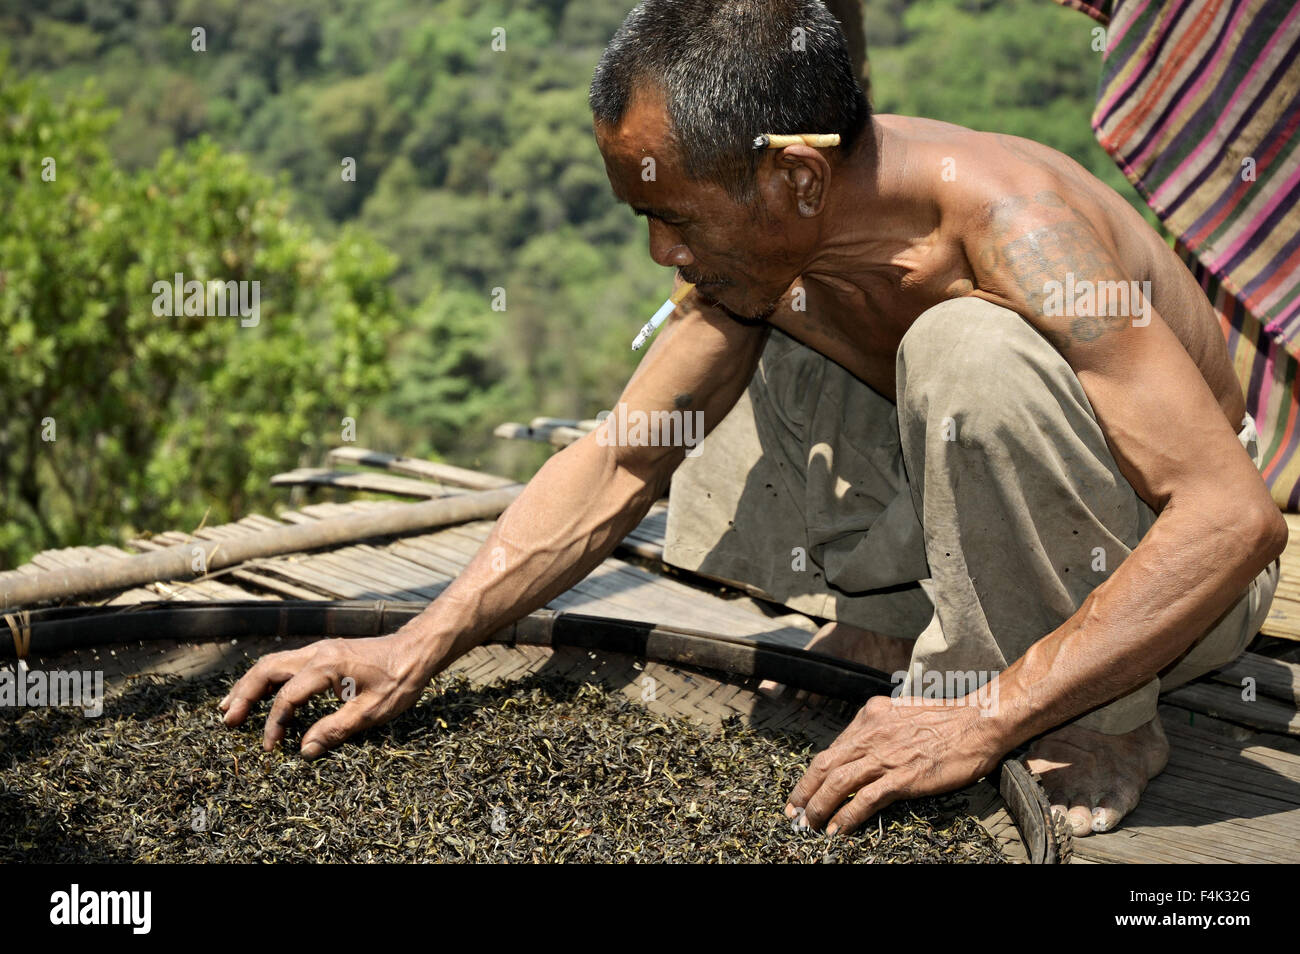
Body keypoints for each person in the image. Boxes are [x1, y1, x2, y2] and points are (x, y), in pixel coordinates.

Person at [219, 0, 1285, 839]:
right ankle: (892, 623)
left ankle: (1101, 725)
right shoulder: (779, 245)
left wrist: (987, 718)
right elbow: (622, 463)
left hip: (1174, 596)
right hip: (986, 518)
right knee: (761, 310)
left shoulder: (1025, 234)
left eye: (674, 217)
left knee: (962, 350)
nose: (660, 251)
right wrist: (414, 642)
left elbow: (1230, 521)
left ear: (797, 174)